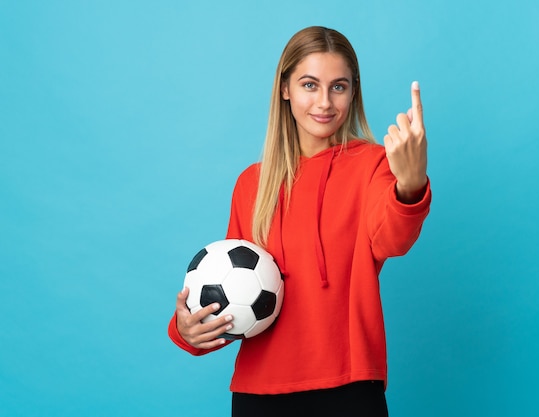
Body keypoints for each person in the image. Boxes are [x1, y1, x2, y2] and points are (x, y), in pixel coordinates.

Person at [168, 26, 431, 417]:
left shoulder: (373, 165)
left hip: (350, 387)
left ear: (353, 91)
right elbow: (229, 294)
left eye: (338, 87)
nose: (324, 102)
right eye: (310, 84)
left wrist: (409, 185)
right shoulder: (251, 184)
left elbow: (392, 239)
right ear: (285, 88)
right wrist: (187, 330)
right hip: (259, 393)